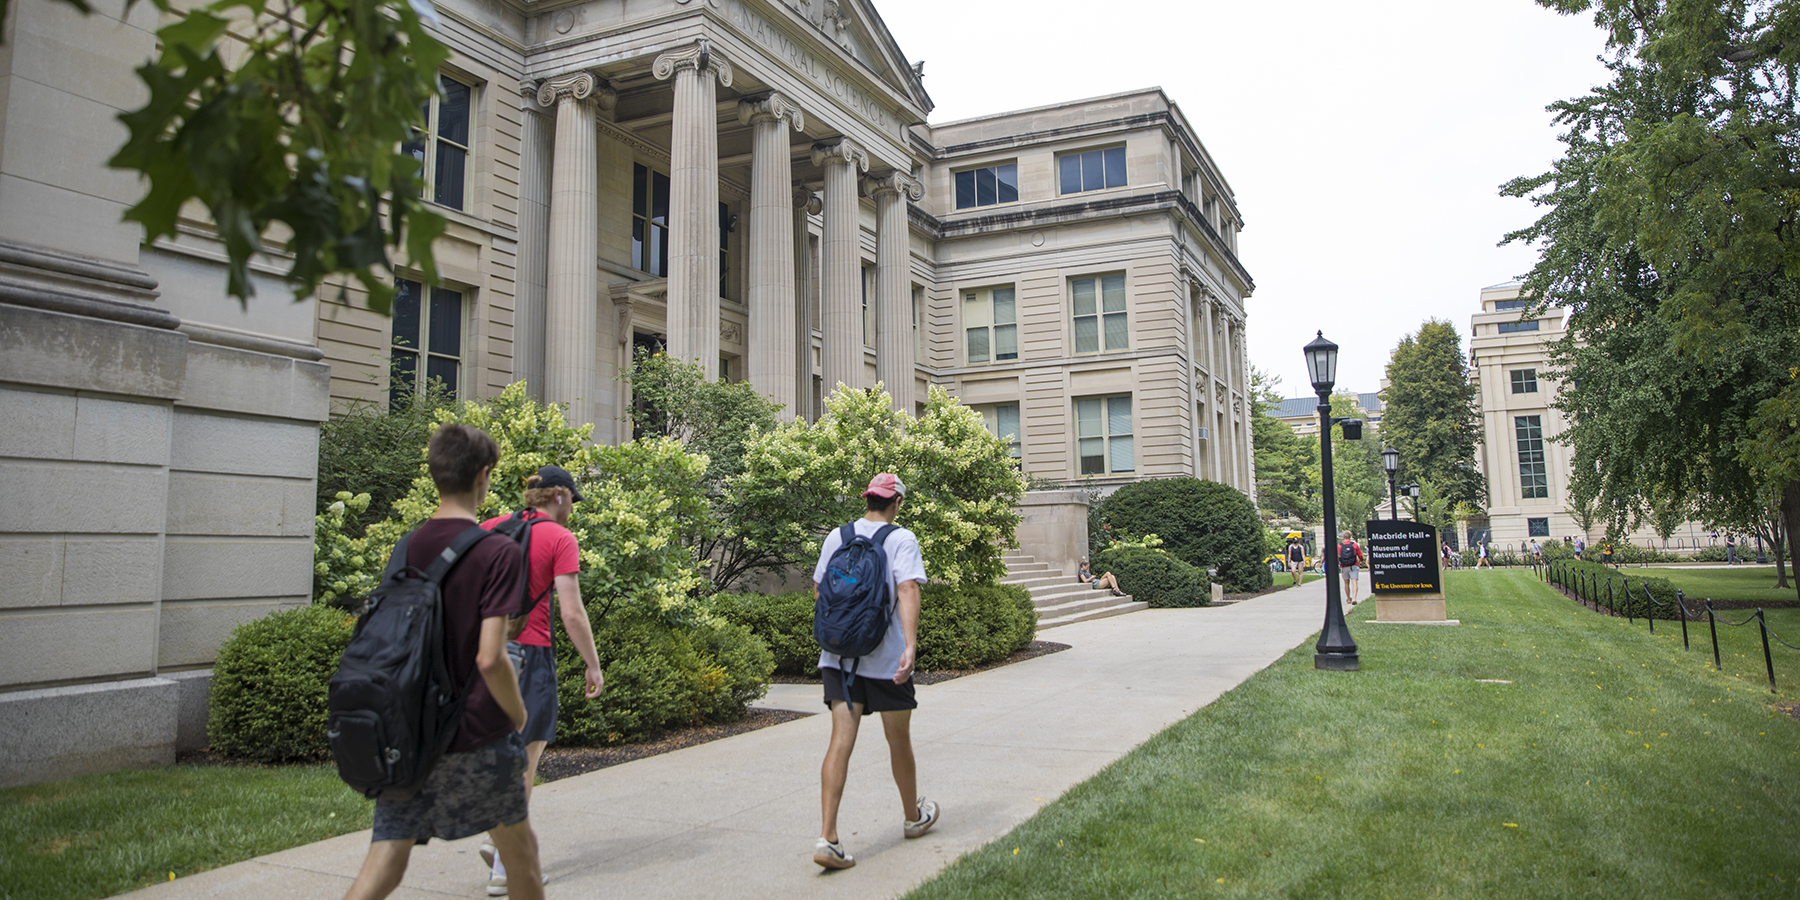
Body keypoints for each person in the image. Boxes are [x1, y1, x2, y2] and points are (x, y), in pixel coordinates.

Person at [344, 424, 544, 900]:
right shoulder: (497, 550)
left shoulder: (406, 545)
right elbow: (491, 657)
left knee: (385, 864)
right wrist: (517, 714)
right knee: (523, 863)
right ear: (484, 475)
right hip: (474, 731)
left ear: (435, 474)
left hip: (409, 731)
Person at [476, 465, 604, 896]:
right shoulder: (559, 538)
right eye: (572, 502)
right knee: (524, 761)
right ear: (560, 497)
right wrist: (592, 663)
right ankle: (506, 869)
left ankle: (498, 845)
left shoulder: (490, 527)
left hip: (483, 655)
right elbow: (571, 611)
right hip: (529, 655)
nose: (572, 511)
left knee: (495, 754)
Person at [814, 473, 937, 870]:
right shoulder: (901, 539)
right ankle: (912, 818)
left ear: (868, 500)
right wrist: (910, 646)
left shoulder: (838, 536)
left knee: (840, 742)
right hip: (886, 662)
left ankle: (828, 837)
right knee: (898, 740)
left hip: (839, 658)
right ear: (896, 503)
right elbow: (908, 589)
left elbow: (820, 591)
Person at [1337, 530, 1364, 605]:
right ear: (1350, 537)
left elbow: (1338, 556)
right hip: (1354, 565)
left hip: (1344, 566)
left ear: (1343, 537)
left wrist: (1339, 563)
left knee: (1346, 583)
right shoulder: (1354, 545)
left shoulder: (1339, 546)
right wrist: (1361, 561)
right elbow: (1360, 555)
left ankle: (1348, 599)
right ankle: (1354, 598)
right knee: (1354, 582)